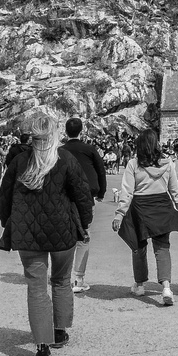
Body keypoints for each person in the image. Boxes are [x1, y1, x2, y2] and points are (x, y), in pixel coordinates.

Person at [0, 108, 95, 356]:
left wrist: (7, 223)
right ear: (53, 134)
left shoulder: (20, 162)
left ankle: (42, 345)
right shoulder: (64, 160)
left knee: (36, 287)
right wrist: (85, 223)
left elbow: (5, 196)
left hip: (28, 234)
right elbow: (82, 195)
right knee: (62, 280)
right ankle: (59, 331)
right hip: (62, 230)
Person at [113, 128, 178, 306]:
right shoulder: (167, 163)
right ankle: (166, 287)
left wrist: (119, 214)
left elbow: (127, 192)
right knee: (162, 248)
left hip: (140, 208)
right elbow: (175, 189)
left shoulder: (134, 164)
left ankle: (140, 284)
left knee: (139, 246)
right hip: (161, 206)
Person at [61, 118, 110, 292]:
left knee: (65, 235)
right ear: (81, 131)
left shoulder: (60, 151)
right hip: (86, 197)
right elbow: (100, 171)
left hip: (64, 198)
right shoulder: (89, 149)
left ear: (66, 132)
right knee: (83, 235)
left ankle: (62, 277)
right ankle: (78, 279)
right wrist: (102, 192)